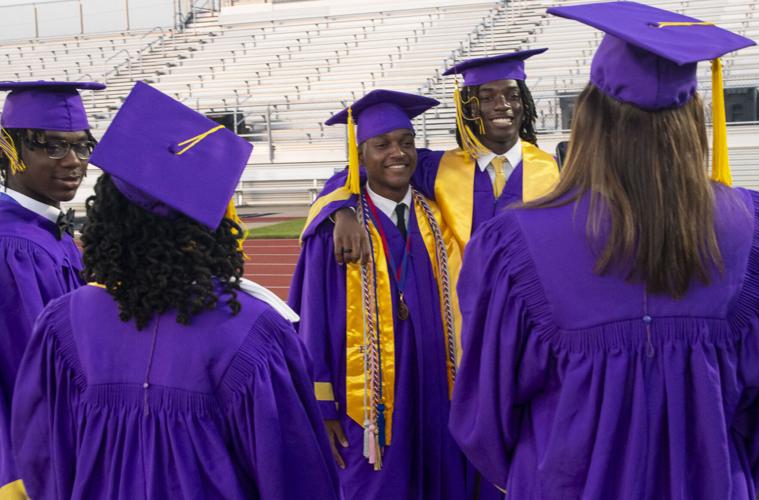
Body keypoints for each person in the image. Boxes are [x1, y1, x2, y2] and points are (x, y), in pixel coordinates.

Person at [449, 2, 759, 499]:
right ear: (694, 119)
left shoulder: (514, 245)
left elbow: (486, 417)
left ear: (589, 120)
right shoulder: (753, 230)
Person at [11, 81, 341, 500]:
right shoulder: (255, 333)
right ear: (212, 227)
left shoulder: (62, 325)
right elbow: (296, 476)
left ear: (107, 213)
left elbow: (45, 463)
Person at [289, 89, 468, 499]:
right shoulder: (333, 235)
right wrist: (323, 405)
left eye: (407, 142)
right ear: (360, 156)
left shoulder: (438, 219)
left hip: (437, 390)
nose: (397, 153)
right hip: (369, 403)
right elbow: (313, 318)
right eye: (382, 144)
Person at [304, 49, 560, 264]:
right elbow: (358, 173)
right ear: (468, 107)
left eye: (513, 95)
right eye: (487, 97)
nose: (503, 104)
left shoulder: (556, 169)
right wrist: (342, 212)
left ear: (524, 103)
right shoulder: (437, 167)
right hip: (464, 317)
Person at [0, 80, 104, 498]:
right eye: (54, 147)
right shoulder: (15, 247)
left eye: (82, 147)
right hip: (36, 453)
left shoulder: (46, 233)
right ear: (11, 151)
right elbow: (36, 375)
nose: (74, 162)